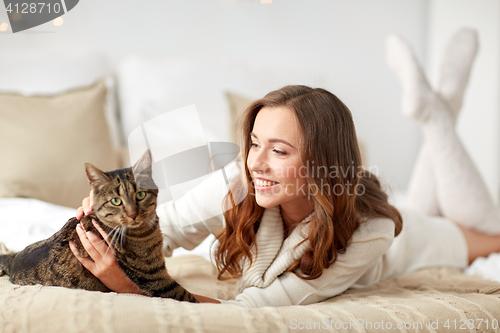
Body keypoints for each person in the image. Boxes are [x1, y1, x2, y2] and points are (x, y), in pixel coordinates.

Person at [73, 30, 500, 308]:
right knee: (436, 195)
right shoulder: (240, 180)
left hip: (417, 240)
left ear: (321, 163)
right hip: (379, 204)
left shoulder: (373, 232)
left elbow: (248, 312)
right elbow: (167, 231)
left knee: (489, 231)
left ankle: (437, 114)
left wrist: (127, 287)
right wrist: (104, 228)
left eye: (278, 151)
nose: (255, 162)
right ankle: (442, 106)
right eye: (254, 143)